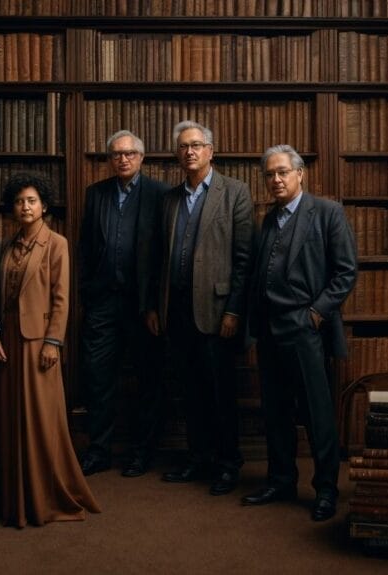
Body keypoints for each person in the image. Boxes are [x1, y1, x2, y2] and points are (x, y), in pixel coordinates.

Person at [242, 144, 357, 522]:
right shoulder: (268, 219)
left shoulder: (326, 212)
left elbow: (345, 273)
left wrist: (315, 315)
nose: (275, 180)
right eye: (270, 174)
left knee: (317, 413)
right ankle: (281, 480)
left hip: (305, 328)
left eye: (282, 173)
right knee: (275, 411)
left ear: (299, 174)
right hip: (270, 328)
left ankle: (325, 489)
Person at [0, 172, 101, 528]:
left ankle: (43, 496)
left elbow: (62, 299)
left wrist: (54, 341)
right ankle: (14, 496)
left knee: (40, 419)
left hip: (38, 344)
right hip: (8, 343)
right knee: (11, 419)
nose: (25, 206)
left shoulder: (57, 243)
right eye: (19, 201)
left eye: (32, 200)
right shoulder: (6, 245)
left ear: (44, 206)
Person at [147, 120, 253, 496]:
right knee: (189, 391)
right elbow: (159, 258)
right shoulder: (170, 199)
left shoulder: (235, 193)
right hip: (175, 310)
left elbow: (244, 260)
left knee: (220, 392)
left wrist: (234, 312)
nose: (189, 152)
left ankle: (227, 464)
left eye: (196, 145)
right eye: (183, 147)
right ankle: (198, 457)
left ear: (211, 150)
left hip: (217, 310)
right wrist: (155, 307)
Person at [77, 130, 170, 478]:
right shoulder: (96, 193)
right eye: (116, 154)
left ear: (141, 158)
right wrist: (88, 292)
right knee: (97, 378)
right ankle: (99, 451)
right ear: (109, 159)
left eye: (130, 153)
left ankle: (143, 452)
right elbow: (86, 247)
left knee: (148, 380)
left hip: (143, 306)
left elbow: (165, 252)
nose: (123, 159)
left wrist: (155, 305)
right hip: (102, 302)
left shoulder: (160, 194)